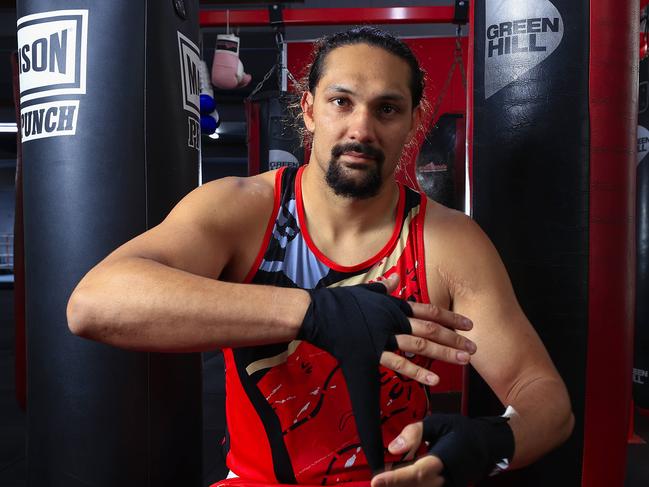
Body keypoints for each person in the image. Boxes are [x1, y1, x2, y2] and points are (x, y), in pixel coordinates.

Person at [67, 27, 574, 487]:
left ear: (414, 121)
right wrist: (313, 312)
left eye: (387, 108)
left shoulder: (446, 241)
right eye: (341, 102)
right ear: (308, 109)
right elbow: (94, 302)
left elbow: (543, 397)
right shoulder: (242, 210)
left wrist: (494, 443)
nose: (361, 128)